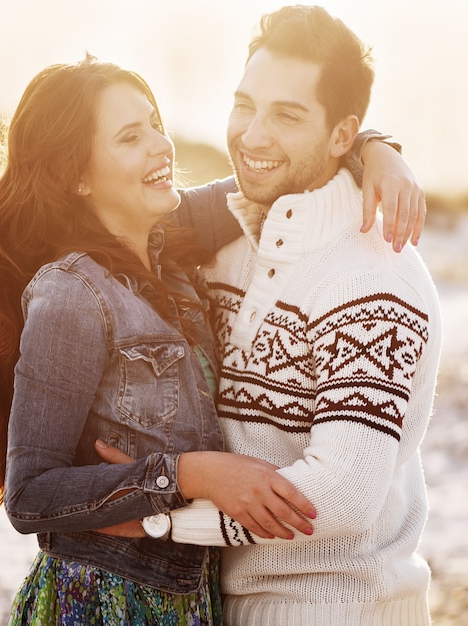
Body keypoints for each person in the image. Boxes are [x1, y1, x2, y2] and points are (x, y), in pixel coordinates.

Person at [0, 52, 426, 626]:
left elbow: (282, 171)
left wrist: (374, 150)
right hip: (102, 601)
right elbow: (31, 496)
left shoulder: (171, 242)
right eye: (130, 137)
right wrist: (187, 473)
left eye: (156, 125)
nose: (161, 147)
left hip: (194, 600)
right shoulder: (71, 294)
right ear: (77, 176)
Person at [98, 6, 442, 625]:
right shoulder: (225, 248)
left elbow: (341, 493)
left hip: (342, 609)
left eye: (287, 115)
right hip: (223, 603)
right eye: (245, 104)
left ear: (341, 135)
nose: (252, 135)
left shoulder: (375, 275)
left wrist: (162, 517)